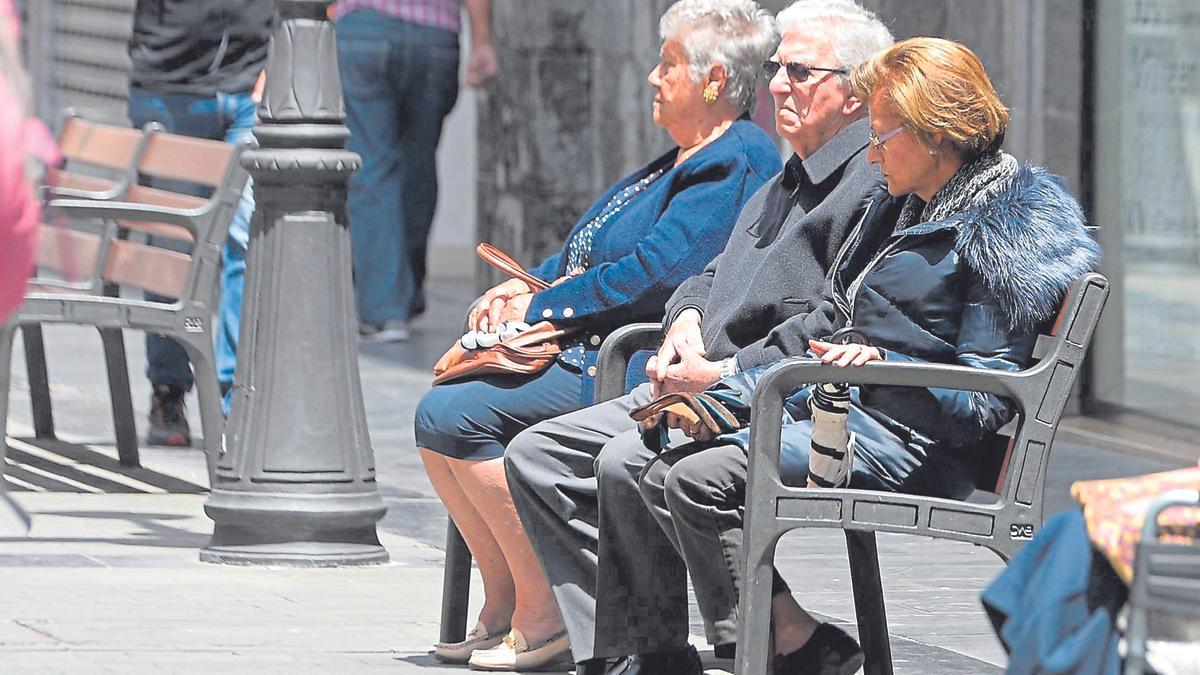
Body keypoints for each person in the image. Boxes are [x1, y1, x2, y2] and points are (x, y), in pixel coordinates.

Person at [639, 37, 1101, 674]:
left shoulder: (1002, 228)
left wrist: (878, 369)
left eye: (883, 135)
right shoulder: (906, 203)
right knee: (665, 471)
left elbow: (984, 400)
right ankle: (790, 643)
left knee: (694, 479)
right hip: (851, 412)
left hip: (916, 444)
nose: (872, 150)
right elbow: (842, 333)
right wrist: (725, 395)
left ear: (935, 134)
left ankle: (770, 649)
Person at [504, 2, 895, 672]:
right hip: (700, 381)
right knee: (538, 453)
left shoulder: (866, 183)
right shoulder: (785, 174)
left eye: (799, 72)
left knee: (631, 458)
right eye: (776, 68)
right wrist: (685, 319)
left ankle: (653, 651)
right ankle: (671, 644)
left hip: (759, 395)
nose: (777, 85)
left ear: (856, 94)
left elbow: (836, 323)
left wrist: (721, 374)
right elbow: (706, 272)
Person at [416, 0, 781, 669]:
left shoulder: (738, 158)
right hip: (594, 340)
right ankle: (505, 603)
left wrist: (543, 307)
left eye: (667, 63)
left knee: (452, 415)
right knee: (440, 410)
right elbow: (595, 250)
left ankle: (545, 609)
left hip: (626, 356)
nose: (650, 77)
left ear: (713, 79)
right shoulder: (687, 153)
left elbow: (655, 273)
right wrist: (533, 284)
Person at [127, 0, 277, 445]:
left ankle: (234, 396)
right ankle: (168, 389)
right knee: (171, 244)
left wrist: (283, 58)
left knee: (248, 239)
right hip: (169, 84)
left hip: (252, 83)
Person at [334, 0, 497, 343]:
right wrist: (482, 42)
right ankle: (403, 294)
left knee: (372, 170)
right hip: (434, 36)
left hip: (365, 30)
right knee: (418, 169)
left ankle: (385, 309)